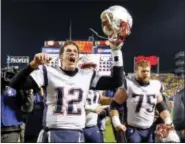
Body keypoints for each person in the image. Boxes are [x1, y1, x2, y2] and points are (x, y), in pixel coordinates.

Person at [10, 40, 124, 142]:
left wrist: (116, 51)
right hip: (53, 131)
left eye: (75, 51)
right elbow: (15, 83)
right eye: (68, 51)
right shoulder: (48, 72)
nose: (72, 53)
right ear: (60, 57)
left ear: (78, 58)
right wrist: (32, 65)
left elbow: (117, 81)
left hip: (76, 132)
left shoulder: (87, 75)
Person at [110, 60, 179, 143]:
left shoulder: (156, 85)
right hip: (132, 129)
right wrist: (116, 123)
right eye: (143, 71)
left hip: (149, 129)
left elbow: (162, 107)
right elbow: (114, 105)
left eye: (147, 71)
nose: (146, 73)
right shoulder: (128, 84)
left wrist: (168, 121)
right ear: (136, 71)